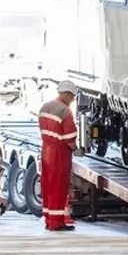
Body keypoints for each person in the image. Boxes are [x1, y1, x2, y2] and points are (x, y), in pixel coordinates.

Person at [38, 80, 80, 231]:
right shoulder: (65, 111)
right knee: (59, 186)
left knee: (48, 185)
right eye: (73, 97)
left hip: (46, 150)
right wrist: (76, 149)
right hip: (60, 153)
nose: (73, 100)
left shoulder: (45, 107)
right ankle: (56, 222)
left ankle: (49, 219)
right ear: (67, 94)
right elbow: (70, 136)